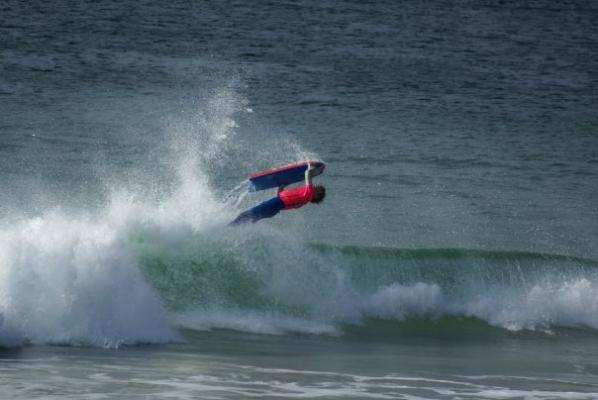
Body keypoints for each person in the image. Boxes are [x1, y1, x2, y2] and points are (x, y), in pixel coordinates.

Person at [230, 164, 326, 225]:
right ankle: (233, 232)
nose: (314, 187)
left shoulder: (308, 193)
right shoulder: (304, 200)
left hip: (274, 205)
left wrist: (316, 169)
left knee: (245, 216)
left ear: (316, 196)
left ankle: (226, 229)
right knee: (249, 220)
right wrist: (283, 186)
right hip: (274, 210)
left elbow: (308, 173)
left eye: (316, 189)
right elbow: (285, 200)